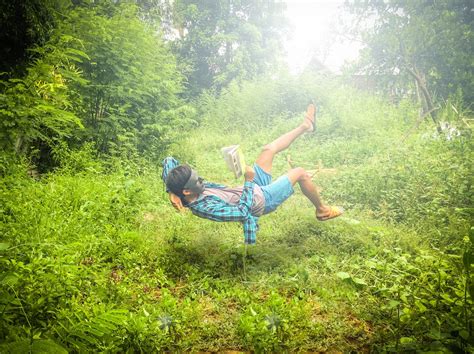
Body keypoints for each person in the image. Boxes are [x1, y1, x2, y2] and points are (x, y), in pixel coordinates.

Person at [161, 103, 343, 244]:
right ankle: (322, 211)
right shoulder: (205, 208)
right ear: (187, 191)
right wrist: (248, 181)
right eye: (196, 180)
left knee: (268, 149)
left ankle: (306, 126)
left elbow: (169, 160)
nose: (201, 180)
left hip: (252, 188)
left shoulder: (186, 188)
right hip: (261, 200)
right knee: (300, 173)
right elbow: (242, 212)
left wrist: (171, 191)